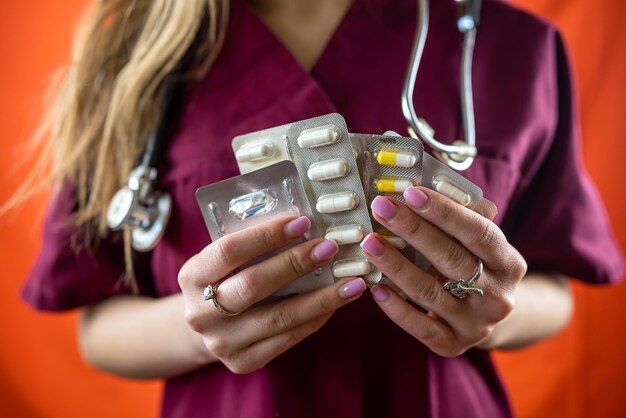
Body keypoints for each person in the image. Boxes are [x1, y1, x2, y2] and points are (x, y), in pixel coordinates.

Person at [20, 0, 624, 417]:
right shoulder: (133, 59)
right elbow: (96, 327)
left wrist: (497, 313)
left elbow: (554, 292)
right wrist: (199, 329)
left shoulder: (513, 48)